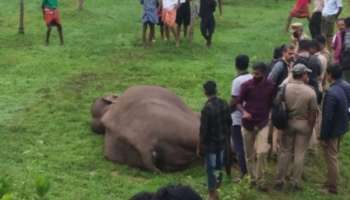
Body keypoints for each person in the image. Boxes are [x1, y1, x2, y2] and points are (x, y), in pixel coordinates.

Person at [274, 64, 318, 191]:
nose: (307, 75)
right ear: (303, 75)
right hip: (304, 124)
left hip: (288, 123)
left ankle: (279, 181)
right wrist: (310, 126)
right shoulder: (310, 91)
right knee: (300, 154)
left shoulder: (285, 88)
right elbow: (313, 112)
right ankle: (295, 182)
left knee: (285, 152)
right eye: (306, 73)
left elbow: (277, 103)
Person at [236, 63, 276, 191]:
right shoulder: (246, 85)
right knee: (249, 154)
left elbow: (272, 103)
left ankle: (261, 180)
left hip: (263, 123)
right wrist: (244, 112)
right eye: (253, 73)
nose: (254, 76)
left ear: (264, 74)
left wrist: (269, 116)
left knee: (262, 152)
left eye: (257, 74)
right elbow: (238, 103)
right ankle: (252, 179)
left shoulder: (271, 86)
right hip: (248, 124)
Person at [199, 80, 232, 200]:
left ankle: (212, 195)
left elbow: (204, 130)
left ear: (205, 92)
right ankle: (217, 189)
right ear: (216, 90)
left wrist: (201, 145)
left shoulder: (206, 109)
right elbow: (229, 122)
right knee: (219, 167)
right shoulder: (224, 103)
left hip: (211, 145)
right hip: (222, 143)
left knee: (210, 169)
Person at [320, 64, 350, 194]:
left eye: (327, 73)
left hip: (333, 130)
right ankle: (329, 181)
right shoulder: (342, 88)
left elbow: (327, 118)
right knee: (334, 155)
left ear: (330, 75)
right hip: (341, 127)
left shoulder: (331, 93)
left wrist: (323, 136)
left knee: (331, 158)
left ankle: (332, 187)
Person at [230, 55, 251, 180]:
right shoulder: (252, 77)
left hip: (238, 117)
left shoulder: (237, 81)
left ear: (236, 65)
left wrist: (227, 110)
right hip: (251, 115)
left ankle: (243, 172)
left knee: (239, 145)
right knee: (249, 144)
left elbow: (234, 100)